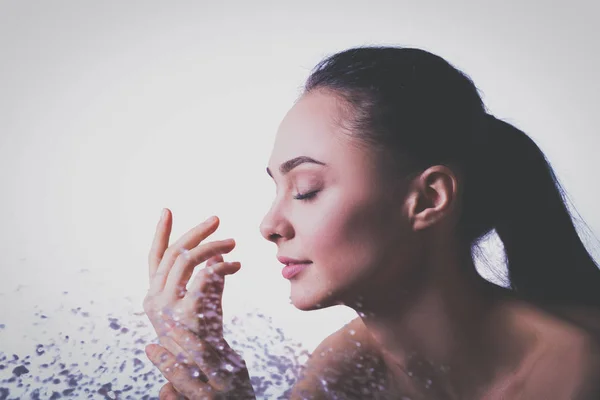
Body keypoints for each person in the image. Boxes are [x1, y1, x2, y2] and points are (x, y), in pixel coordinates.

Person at [142, 46, 600, 399]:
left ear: (426, 198)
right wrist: (202, 366)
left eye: (305, 189)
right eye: (276, 189)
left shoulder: (582, 369)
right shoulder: (344, 370)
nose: (270, 224)